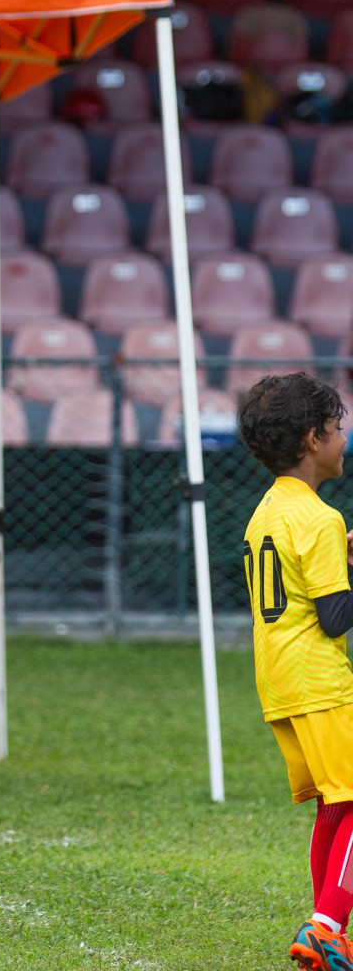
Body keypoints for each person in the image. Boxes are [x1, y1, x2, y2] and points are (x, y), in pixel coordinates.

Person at [237, 373, 353, 971]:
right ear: (312, 438)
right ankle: (327, 926)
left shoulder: (269, 510)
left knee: (337, 803)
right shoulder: (322, 518)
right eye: (336, 429)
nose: (343, 438)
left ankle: (324, 926)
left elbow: (302, 581)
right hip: (320, 679)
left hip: (279, 680)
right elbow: (335, 618)